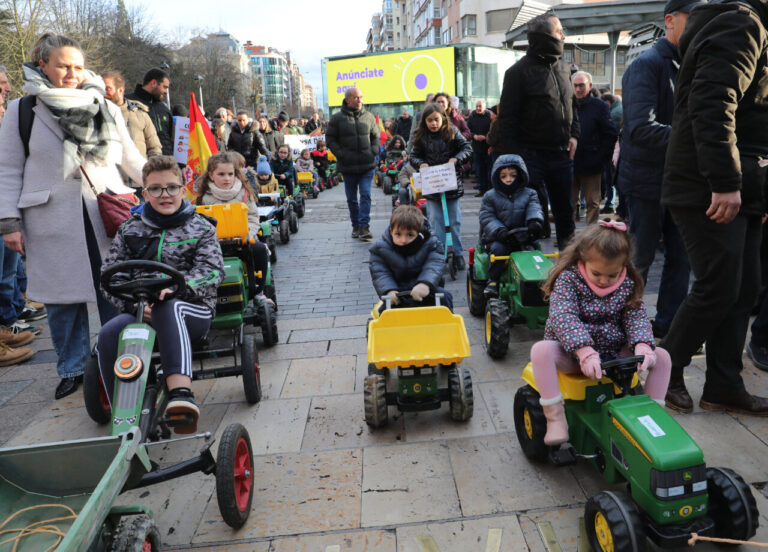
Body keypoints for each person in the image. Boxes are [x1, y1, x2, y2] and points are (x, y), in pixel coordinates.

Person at [0, 34, 146, 398]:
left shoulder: (104, 105)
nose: (72, 73)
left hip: (106, 212)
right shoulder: (22, 110)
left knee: (116, 290)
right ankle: (73, 368)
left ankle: (121, 363)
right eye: (63, 66)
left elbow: (130, 159)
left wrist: (168, 183)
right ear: (43, 65)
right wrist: (9, 223)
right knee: (61, 300)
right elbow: (8, 170)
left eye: (78, 66)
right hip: (49, 217)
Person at [660, 0, 768, 415]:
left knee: (743, 289)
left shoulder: (750, 26)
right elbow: (713, 103)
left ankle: (723, 385)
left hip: (742, 183)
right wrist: (724, 181)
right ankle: (664, 371)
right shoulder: (742, 25)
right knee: (718, 287)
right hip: (707, 185)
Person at [97, 156, 224, 433]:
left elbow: (213, 271)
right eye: (156, 189)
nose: (164, 194)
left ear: (183, 190)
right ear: (145, 194)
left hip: (191, 309)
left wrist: (178, 288)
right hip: (141, 311)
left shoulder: (201, 227)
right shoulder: (129, 229)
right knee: (108, 333)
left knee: (169, 306)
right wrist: (133, 306)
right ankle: (126, 416)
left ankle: (181, 394)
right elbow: (110, 277)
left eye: (171, 187)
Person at [531, 220, 671, 445]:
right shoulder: (568, 279)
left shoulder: (627, 283)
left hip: (613, 354)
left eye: (612, 275)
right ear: (582, 258)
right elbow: (564, 317)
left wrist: (643, 345)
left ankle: (654, 417)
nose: (604, 280)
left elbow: (635, 316)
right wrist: (585, 352)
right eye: (597, 273)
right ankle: (555, 417)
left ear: (624, 266)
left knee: (662, 356)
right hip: (573, 355)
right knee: (540, 351)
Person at [619, 0, 698, 343]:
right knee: (641, 259)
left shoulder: (690, 63)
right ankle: (625, 324)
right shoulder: (647, 64)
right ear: (670, 20)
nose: (700, 27)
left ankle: (668, 325)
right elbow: (640, 127)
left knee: (681, 259)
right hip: (647, 183)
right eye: (692, 18)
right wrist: (696, 137)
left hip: (681, 181)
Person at [493, 13, 580, 248]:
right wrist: (515, 159)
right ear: (545, 36)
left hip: (561, 153)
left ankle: (569, 262)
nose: (564, 36)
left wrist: (574, 135)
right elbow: (507, 119)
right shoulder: (517, 72)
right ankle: (530, 262)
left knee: (565, 211)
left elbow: (572, 105)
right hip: (530, 156)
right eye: (559, 31)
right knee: (529, 214)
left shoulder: (564, 68)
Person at [195, 152, 270, 300]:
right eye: (221, 174)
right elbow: (199, 222)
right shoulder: (203, 197)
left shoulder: (244, 193)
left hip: (242, 240)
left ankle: (258, 292)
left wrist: (247, 234)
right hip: (214, 243)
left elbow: (253, 217)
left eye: (230, 174)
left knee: (260, 249)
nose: (227, 178)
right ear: (211, 175)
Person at [410, 103, 473, 269]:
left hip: (450, 183)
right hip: (432, 184)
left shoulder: (452, 131)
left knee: (454, 221)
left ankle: (457, 253)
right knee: (436, 221)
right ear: (425, 121)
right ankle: (439, 255)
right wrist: (421, 163)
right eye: (430, 120)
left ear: (443, 119)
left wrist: (457, 159)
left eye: (436, 120)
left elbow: (467, 148)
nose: (433, 124)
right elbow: (413, 156)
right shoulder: (421, 136)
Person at [479, 155, 544, 297]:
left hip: (524, 237)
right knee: (498, 250)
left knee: (533, 253)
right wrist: (499, 230)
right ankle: (493, 280)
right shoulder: (490, 196)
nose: (508, 179)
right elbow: (487, 217)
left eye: (513, 175)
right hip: (499, 238)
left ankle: (535, 283)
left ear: (520, 175)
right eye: (504, 176)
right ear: (497, 177)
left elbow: (534, 208)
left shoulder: (530, 194)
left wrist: (534, 221)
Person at [369, 205, 453, 311]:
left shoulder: (432, 244)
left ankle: (448, 321)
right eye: (398, 234)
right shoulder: (380, 249)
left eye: (410, 235)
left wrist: (425, 284)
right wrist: (389, 290)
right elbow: (381, 273)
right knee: (383, 311)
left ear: (419, 233)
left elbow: (434, 265)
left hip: (425, 291)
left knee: (444, 297)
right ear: (391, 232)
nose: (403, 240)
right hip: (397, 294)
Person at [326, 87, 379, 240]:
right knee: (351, 199)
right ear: (347, 99)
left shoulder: (369, 117)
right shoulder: (337, 118)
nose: (359, 100)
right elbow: (330, 139)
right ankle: (355, 226)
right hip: (348, 166)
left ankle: (364, 226)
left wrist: (373, 151)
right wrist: (341, 154)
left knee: (366, 194)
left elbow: (376, 136)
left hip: (367, 165)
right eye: (356, 97)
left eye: (361, 97)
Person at [571, 71, 618, 225]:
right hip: (570, 162)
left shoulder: (600, 106)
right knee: (569, 202)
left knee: (593, 202)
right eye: (575, 85)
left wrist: (601, 158)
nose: (578, 89)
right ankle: (568, 235)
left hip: (592, 163)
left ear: (590, 86)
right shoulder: (566, 104)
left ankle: (591, 234)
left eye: (581, 85)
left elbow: (610, 133)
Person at [102, 71, 162, 159]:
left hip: (138, 166)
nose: (103, 92)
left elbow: (155, 148)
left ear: (120, 90)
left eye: (108, 88)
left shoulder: (140, 114)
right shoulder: (94, 114)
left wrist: (151, 165)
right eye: (100, 88)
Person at [125, 68, 174, 156]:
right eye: (165, 87)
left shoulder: (164, 109)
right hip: (139, 160)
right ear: (153, 83)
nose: (166, 92)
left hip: (164, 161)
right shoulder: (126, 103)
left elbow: (170, 139)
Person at [466, 100, 493, 196]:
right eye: (477, 106)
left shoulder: (489, 116)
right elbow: (468, 130)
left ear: (485, 107)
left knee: (489, 169)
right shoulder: (472, 116)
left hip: (488, 147)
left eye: (480, 106)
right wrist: (474, 136)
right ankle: (482, 190)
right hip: (477, 147)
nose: (478, 108)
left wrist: (486, 137)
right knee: (480, 169)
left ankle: (490, 190)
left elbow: (493, 129)